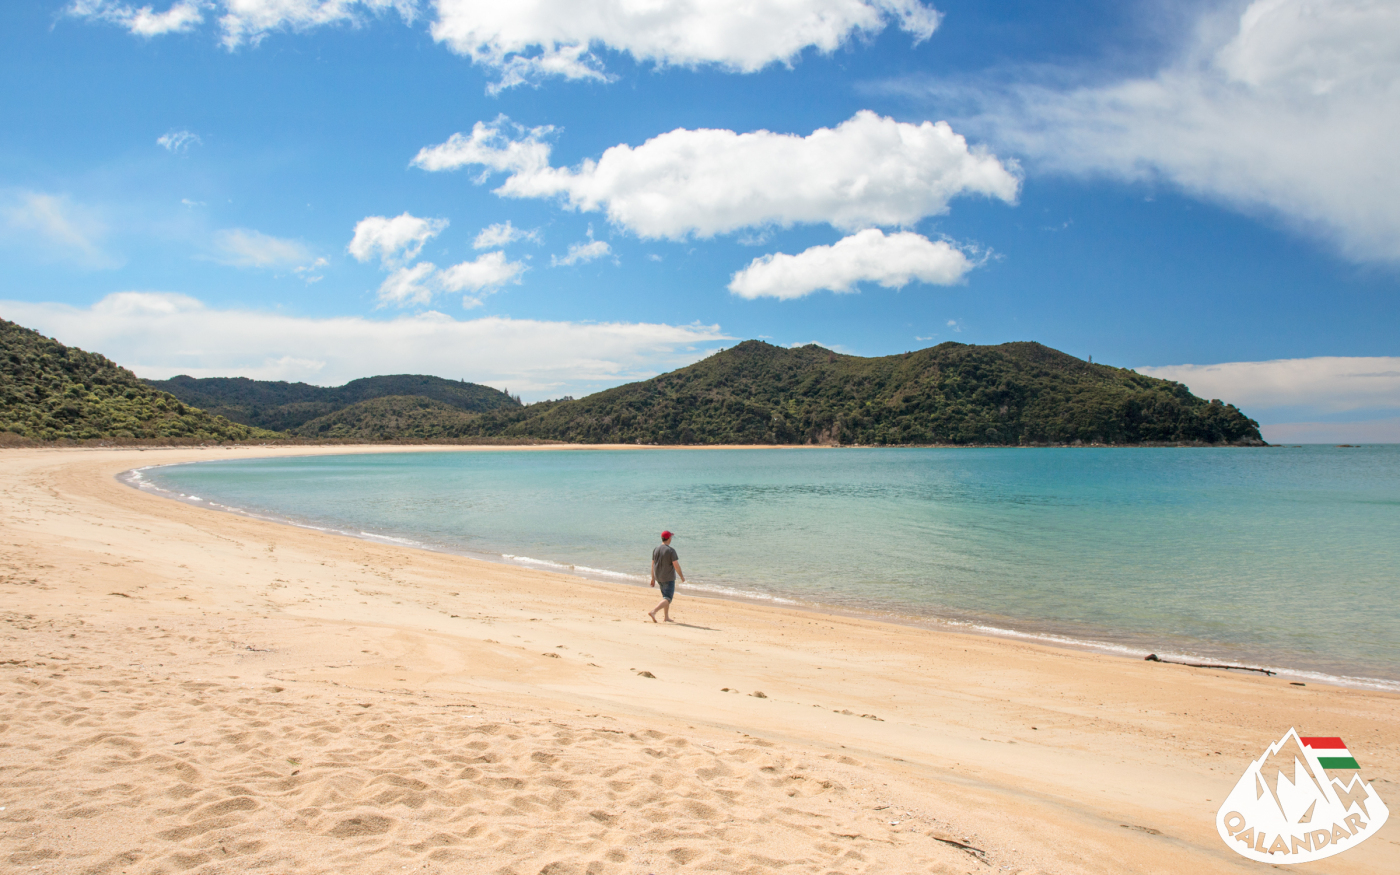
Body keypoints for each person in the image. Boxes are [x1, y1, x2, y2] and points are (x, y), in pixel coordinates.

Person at [648, 530, 685, 623]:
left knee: (665, 597)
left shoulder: (656, 549)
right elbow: (676, 565)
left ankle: (666, 617)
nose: (671, 538)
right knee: (668, 598)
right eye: (671, 537)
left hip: (659, 577)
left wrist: (653, 578)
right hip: (668, 578)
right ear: (668, 538)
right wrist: (681, 576)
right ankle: (653, 611)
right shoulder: (670, 550)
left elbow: (653, 564)